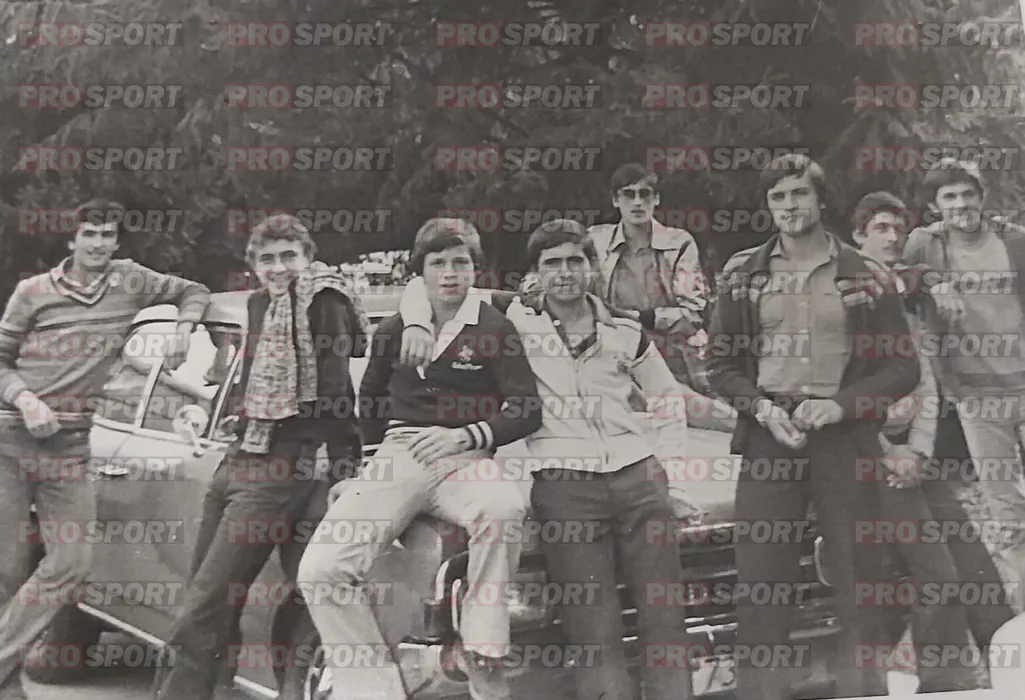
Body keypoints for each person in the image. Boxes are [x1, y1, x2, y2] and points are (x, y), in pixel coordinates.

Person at [398, 219, 701, 700]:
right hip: (565, 489)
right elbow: (429, 282)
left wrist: (676, 479)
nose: (565, 273)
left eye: (575, 261)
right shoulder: (514, 321)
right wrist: (416, 322)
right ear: (535, 273)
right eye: (552, 263)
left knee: (664, 620)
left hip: (640, 481)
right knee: (594, 628)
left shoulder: (625, 330)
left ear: (592, 266)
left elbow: (667, 400)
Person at [297, 218, 543, 700]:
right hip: (400, 453)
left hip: (466, 455)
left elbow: (526, 408)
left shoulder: (495, 327)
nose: (450, 273)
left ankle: (482, 647)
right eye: (438, 263)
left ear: (475, 269)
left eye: (461, 263)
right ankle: (372, 689)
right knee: (321, 569)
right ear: (421, 271)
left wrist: (467, 436)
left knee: (505, 509)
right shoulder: (395, 328)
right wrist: (365, 468)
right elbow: (370, 399)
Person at [706, 155, 920, 700]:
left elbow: (902, 368)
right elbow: (721, 366)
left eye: (799, 193)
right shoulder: (743, 274)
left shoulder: (867, 275)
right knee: (762, 587)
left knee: (859, 583)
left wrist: (842, 406)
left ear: (822, 200)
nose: (789, 206)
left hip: (843, 441)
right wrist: (762, 409)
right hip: (769, 437)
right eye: (778, 197)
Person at [0, 198, 211, 700]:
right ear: (71, 239)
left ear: (117, 241)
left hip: (71, 446)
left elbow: (194, 289)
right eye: (89, 234)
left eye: (107, 235)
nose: (98, 244)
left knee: (72, 564)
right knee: (7, 567)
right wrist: (25, 398)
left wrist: (183, 327)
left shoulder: (130, 281)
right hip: (11, 438)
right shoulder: (33, 292)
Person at [152, 213, 368, 700]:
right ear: (254, 265)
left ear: (308, 257)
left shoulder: (324, 302)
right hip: (240, 453)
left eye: (289, 256)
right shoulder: (257, 304)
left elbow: (337, 391)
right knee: (204, 596)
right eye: (267, 259)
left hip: (284, 464)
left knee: (204, 607)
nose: (279, 268)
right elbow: (252, 382)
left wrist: (344, 469)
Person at [852, 191, 1004, 691]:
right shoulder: (844, 299)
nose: (893, 237)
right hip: (866, 455)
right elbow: (837, 392)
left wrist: (917, 450)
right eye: (881, 228)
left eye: (899, 228)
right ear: (857, 237)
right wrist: (887, 452)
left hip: (913, 454)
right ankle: (944, 684)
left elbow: (925, 386)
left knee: (977, 567)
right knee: (938, 576)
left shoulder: (906, 300)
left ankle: (1006, 673)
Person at [902, 159, 1025, 612]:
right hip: (977, 396)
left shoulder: (1013, 241)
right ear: (935, 205)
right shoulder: (925, 244)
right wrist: (933, 282)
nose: (961, 204)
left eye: (967, 193)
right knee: (1007, 512)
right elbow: (897, 275)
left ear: (982, 196)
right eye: (949, 196)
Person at [587, 163, 735, 432]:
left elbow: (693, 312)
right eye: (628, 194)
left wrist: (638, 318)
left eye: (645, 194)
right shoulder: (595, 241)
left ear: (656, 199)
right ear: (615, 200)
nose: (637, 202)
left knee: (689, 404)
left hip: (671, 351)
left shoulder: (679, 242)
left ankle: (747, 425)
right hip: (615, 351)